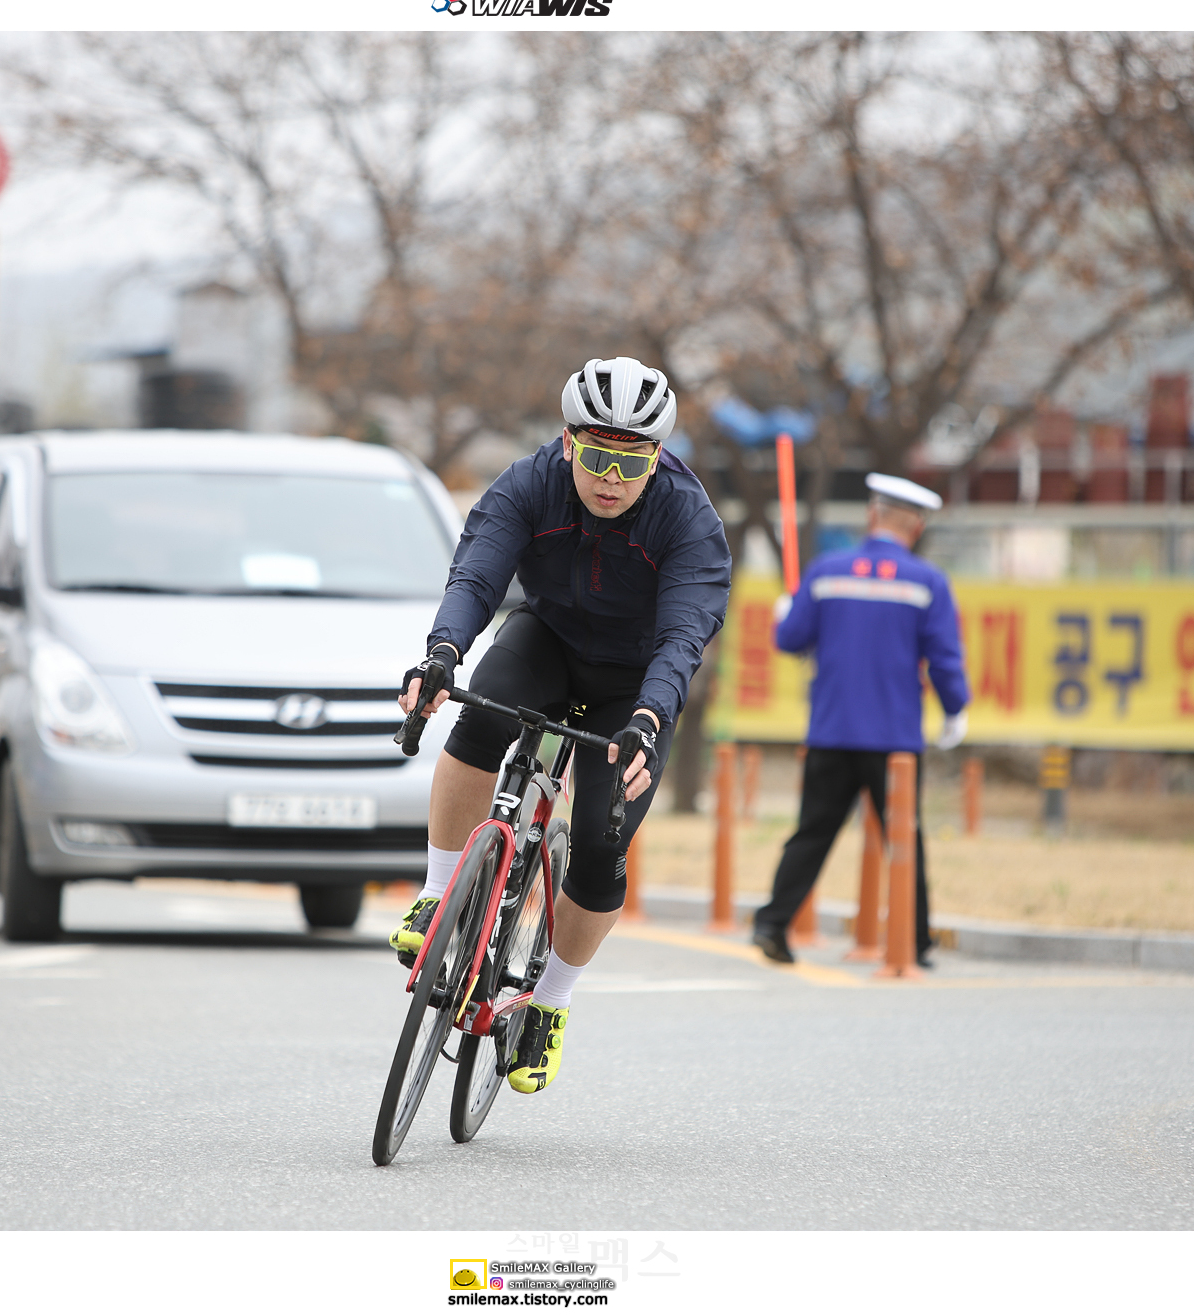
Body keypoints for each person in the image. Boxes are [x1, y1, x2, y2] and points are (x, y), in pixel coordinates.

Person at [395, 358, 732, 1094]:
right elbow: (476, 576)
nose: (611, 477)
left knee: (603, 840)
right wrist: (441, 655)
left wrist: (650, 717)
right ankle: (439, 892)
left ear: (657, 458)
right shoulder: (530, 483)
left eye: (631, 461)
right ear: (569, 440)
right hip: (546, 643)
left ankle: (549, 1002)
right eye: (596, 455)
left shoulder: (687, 520)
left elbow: (684, 635)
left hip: (633, 687)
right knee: (482, 712)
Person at [749, 473, 969, 969]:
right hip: (894, 740)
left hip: (831, 731)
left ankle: (772, 925)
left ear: (872, 515)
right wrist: (955, 709)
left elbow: (790, 640)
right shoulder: (926, 582)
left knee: (812, 833)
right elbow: (944, 658)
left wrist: (785, 613)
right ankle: (914, 942)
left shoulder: (826, 572)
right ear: (916, 526)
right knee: (904, 839)